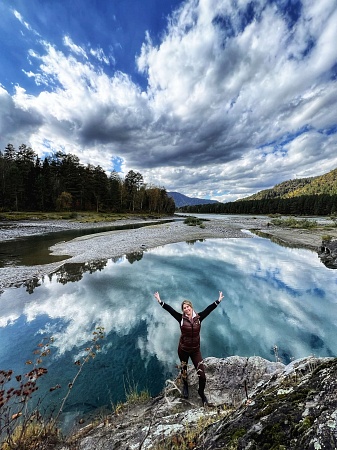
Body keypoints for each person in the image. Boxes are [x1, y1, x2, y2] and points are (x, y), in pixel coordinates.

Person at [153, 290, 224, 406]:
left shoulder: (199, 318)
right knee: (184, 369)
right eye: (184, 308)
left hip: (195, 350)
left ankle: (201, 393)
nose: (186, 309)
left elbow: (209, 309)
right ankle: (185, 385)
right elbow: (170, 310)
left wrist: (218, 300)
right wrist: (160, 301)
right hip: (183, 350)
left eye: (188, 307)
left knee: (202, 375)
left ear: (191, 307)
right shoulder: (180, 319)